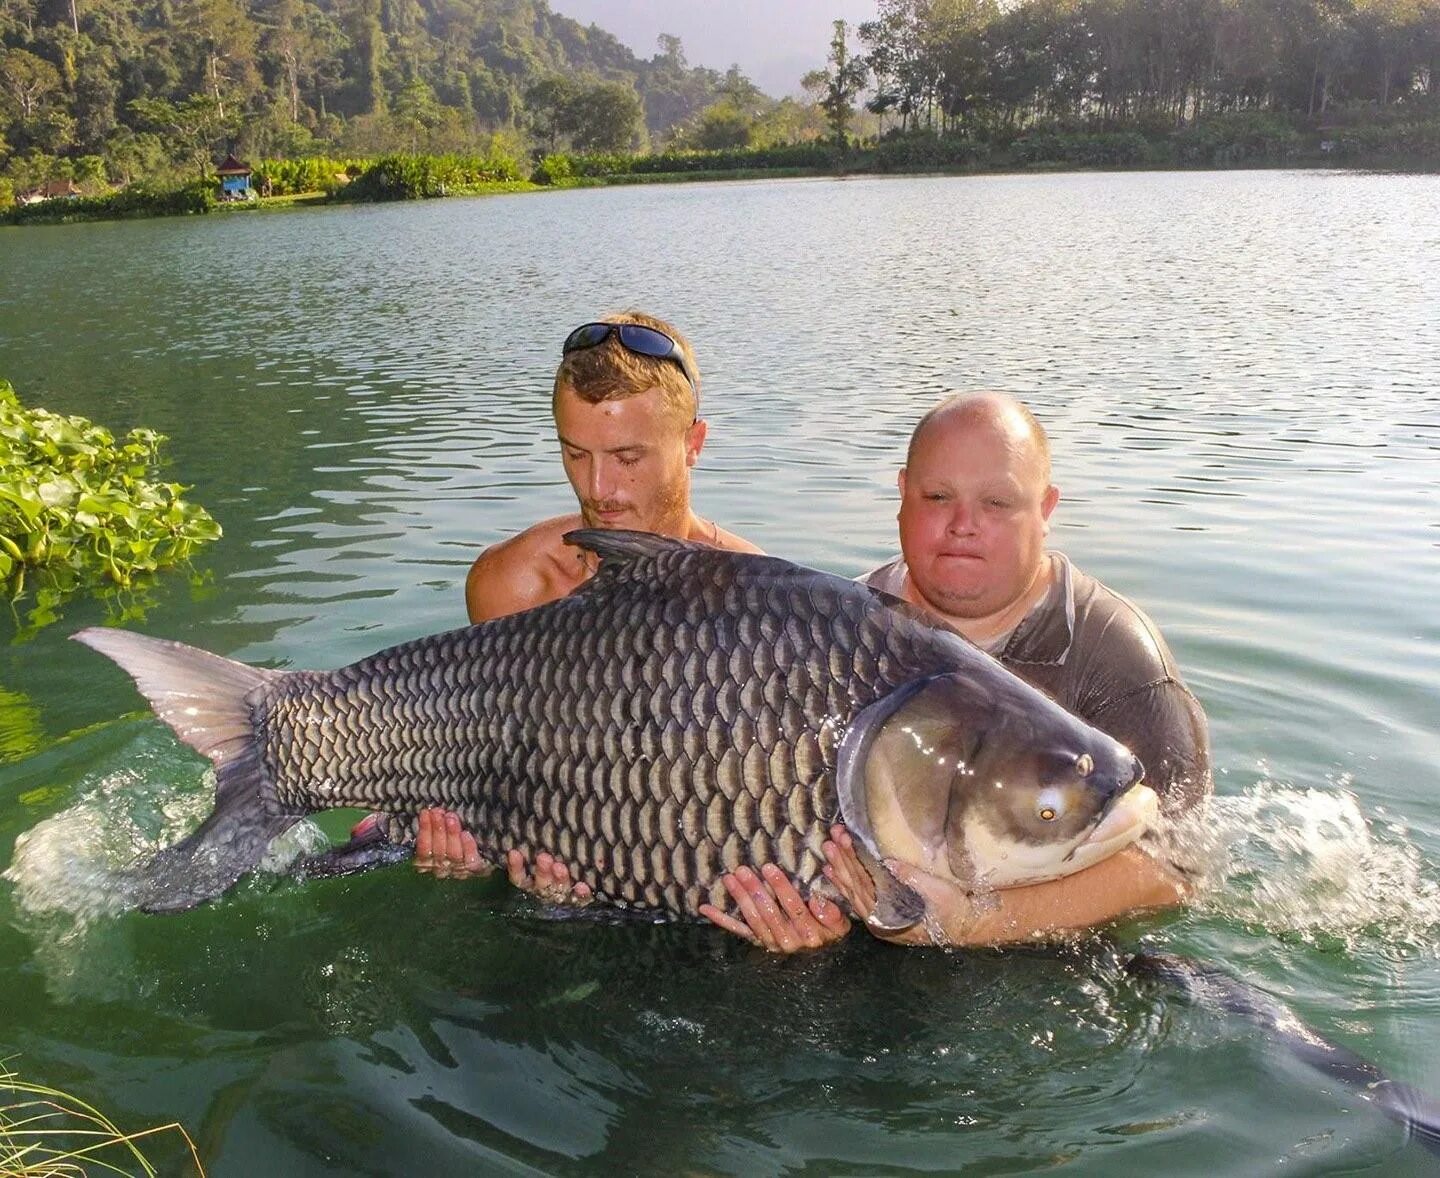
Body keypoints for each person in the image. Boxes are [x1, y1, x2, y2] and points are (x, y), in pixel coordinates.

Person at [698, 392, 1211, 950]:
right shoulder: (838, 635)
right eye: (938, 496)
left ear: (1046, 509)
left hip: (1061, 954)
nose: (963, 525)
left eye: (997, 503)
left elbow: (1181, 865)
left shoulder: (1119, 658)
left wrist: (980, 923)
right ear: (902, 496)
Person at [401, 310, 761, 890]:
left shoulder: (754, 597)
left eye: (627, 458)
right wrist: (464, 860)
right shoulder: (514, 584)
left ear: (693, 442)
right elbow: (485, 771)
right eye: (575, 454)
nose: (598, 490)